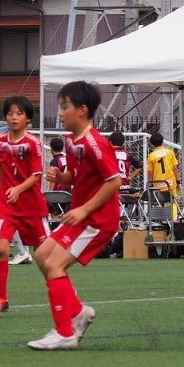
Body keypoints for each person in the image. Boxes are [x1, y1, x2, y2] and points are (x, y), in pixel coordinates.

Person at [28, 80, 122, 350]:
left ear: (82, 110)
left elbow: (113, 181)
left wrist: (84, 209)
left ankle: (64, 332)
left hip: (97, 220)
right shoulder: (72, 142)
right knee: (42, 256)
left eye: (64, 107)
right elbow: (78, 177)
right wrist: (61, 176)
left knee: (54, 265)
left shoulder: (95, 142)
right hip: (80, 216)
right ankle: (78, 312)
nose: (60, 113)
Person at [0, 95, 46, 317]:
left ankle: (64, 293)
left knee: (45, 257)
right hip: (7, 205)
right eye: (10, 113)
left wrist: (19, 189)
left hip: (31, 206)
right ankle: (1, 299)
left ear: (28, 119)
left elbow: (36, 175)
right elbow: (0, 168)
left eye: (19, 114)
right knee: (2, 248)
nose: (14, 117)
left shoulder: (33, 143)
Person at [145, 132, 179, 215]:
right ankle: (173, 219)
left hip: (157, 183)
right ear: (162, 141)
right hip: (171, 182)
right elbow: (175, 168)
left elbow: (150, 171)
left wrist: (151, 183)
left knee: (159, 201)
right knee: (173, 200)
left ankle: (161, 219)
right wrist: (178, 180)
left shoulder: (151, 155)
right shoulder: (169, 152)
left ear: (152, 144)